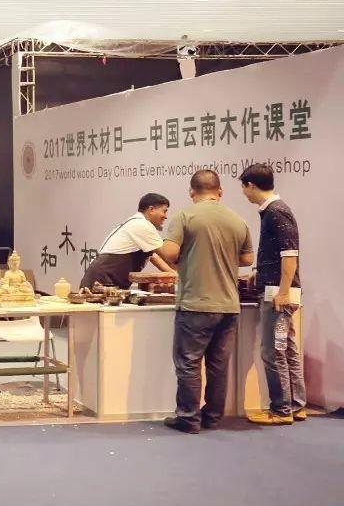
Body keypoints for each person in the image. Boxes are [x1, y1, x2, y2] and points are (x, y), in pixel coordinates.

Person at [157, 170, 253, 435]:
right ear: (220, 191)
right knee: (218, 365)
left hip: (195, 303)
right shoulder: (237, 220)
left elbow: (170, 252)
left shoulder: (185, 217)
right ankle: (212, 417)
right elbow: (247, 259)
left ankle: (188, 419)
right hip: (229, 305)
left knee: (188, 363)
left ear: (192, 192)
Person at [239, 163, 306, 426]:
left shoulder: (276, 212)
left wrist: (283, 292)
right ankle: (296, 405)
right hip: (277, 291)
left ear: (251, 185)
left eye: (244, 188)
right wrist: (259, 271)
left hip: (277, 296)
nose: (244, 193)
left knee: (273, 351)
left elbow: (290, 255)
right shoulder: (273, 211)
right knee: (286, 348)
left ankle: (281, 409)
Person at [79, 193, 177, 290]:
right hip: (101, 281)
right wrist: (179, 275)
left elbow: (154, 256)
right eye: (164, 211)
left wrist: (174, 274)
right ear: (151, 210)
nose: (165, 216)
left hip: (103, 279)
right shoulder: (142, 225)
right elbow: (167, 255)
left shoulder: (138, 223)